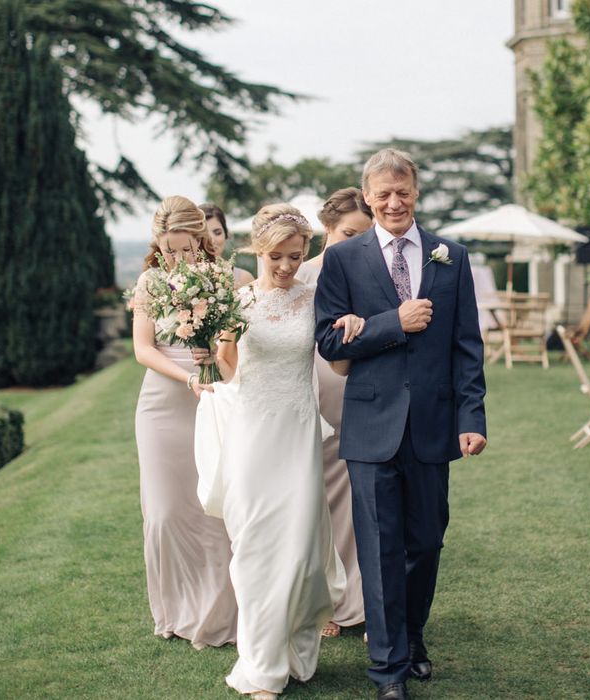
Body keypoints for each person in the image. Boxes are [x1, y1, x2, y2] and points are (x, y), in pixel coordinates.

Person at [314, 149, 488, 700]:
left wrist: (472, 416)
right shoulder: (343, 261)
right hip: (369, 426)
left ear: (416, 192)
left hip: (435, 426)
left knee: (426, 542)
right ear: (366, 196)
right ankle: (388, 671)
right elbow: (329, 341)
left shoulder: (450, 258)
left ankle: (413, 640)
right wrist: (395, 322)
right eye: (382, 194)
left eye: (403, 192)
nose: (393, 202)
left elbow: (467, 347)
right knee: (381, 549)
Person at [197, 203, 354, 699]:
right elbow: (228, 370)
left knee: (302, 550)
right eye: (276, 258)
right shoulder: (237, 303)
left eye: (295, 255)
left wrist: (352, 322)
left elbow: (335, 345)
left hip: (298, 432)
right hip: (252, 434)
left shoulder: (316, 297)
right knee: (257, 548)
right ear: (259, 252)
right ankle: (262, 666)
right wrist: (205, 349)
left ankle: (296, 645)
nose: (286, 266)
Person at [132, 195, 237, 650]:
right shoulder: (149, 281)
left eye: (186, 247)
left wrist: (213, 357)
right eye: (169, 248)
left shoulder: (223, 280)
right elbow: (144, 349)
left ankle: (219, 614)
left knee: (212, 510)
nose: (178, 257)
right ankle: (174, 611)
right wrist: (187, 375)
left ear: (201, 238)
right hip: (162, 405)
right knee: (164, 514)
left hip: (212, 399)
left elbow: (232, 343)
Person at [295, 187, 373, 638]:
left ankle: (356, 604)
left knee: (354, 504)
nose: (354, 242)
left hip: (354, 395)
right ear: (327, 228)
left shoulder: (368, 276)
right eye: (347, 233)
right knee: (315, 503)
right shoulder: (301, 275)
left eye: (364, 235)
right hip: (308, 396)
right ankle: (322, 601)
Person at [199, 202, 255, 287]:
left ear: (226, 234)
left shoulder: (245, 278)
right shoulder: (184, 280)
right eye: (205, 234)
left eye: (217, 233)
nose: (211, 240)